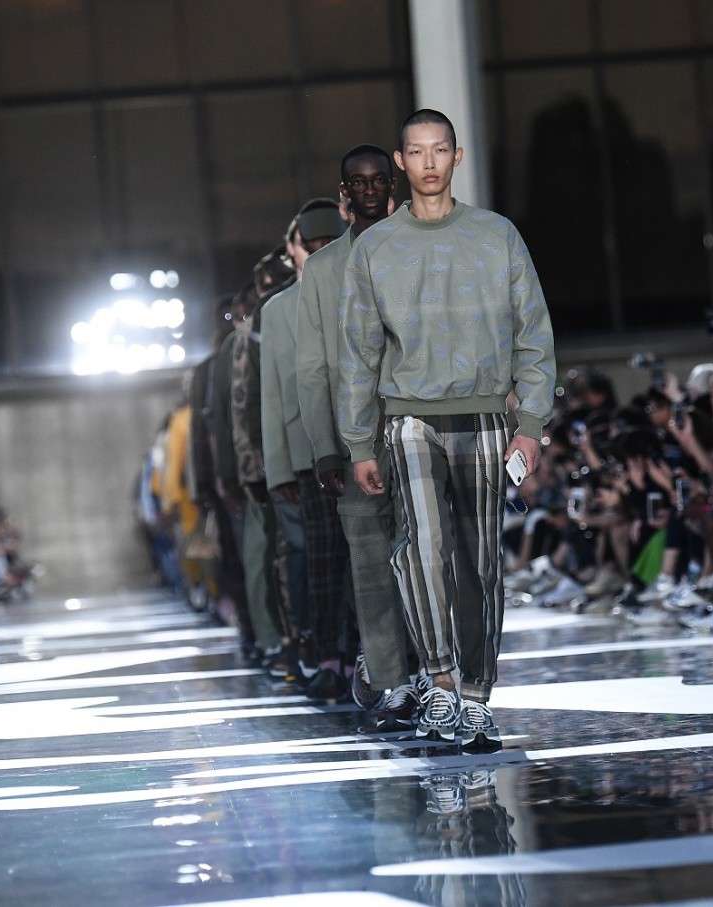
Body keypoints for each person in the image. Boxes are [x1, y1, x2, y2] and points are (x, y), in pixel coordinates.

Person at [338, 109, 557, 752]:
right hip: (408, 417)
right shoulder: (376, 249)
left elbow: (533, 332)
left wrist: (532, 424)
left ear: (457, 158)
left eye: (440, 150)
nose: (429, 162)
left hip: (488, 415)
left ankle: (475, 697)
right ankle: (438, 682)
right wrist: (357, 441)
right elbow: (358, 350)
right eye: (417, 151)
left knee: (482, 561)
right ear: (402, 161)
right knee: (422, 551)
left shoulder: (497, 236)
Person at [296, 144, 419, 729]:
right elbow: (315, 364)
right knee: (371, 562)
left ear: (390, 183)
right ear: (344, 191)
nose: (368, 189)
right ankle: (393, 682)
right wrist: (325, 444)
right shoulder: (321, 272)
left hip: (425, 426)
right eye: (357, 182)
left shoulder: (425, 246)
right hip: (357, 437)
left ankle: (433, 672)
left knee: (429, 557)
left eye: (377, 179)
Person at [260, 198, 348, 698]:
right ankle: (330, 656)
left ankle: (364, 659)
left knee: (368, 562)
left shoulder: (359, 290)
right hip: (307, 452)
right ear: (293, 249)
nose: (318, 253)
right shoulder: (276, 311)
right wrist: (278, 472)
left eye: (327, 244)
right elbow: (272, 397)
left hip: (362, 445)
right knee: (322, 561)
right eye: (309, 245)